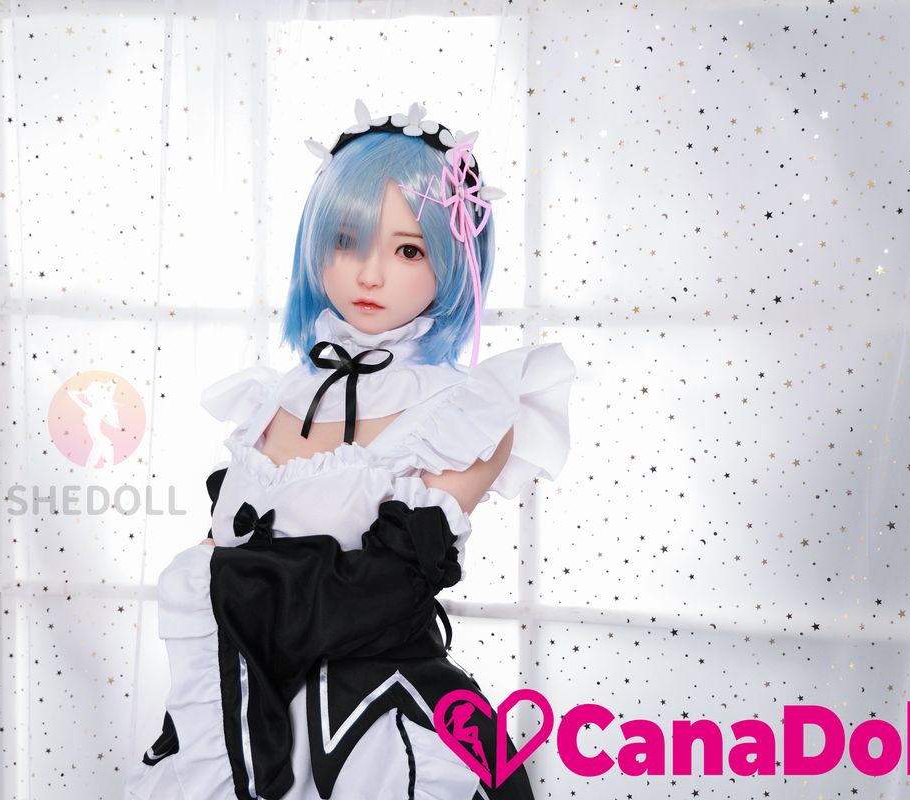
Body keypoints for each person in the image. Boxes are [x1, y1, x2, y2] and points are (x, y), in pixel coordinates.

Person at [123, 101, 576, 800]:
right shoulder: (270, 399)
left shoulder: (466, 412)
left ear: (454, 258)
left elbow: (386, 587)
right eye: (346, 240)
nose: (370, 274)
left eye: (407, 250)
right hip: (242, 710)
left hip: (380, 728)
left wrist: (212, 583)